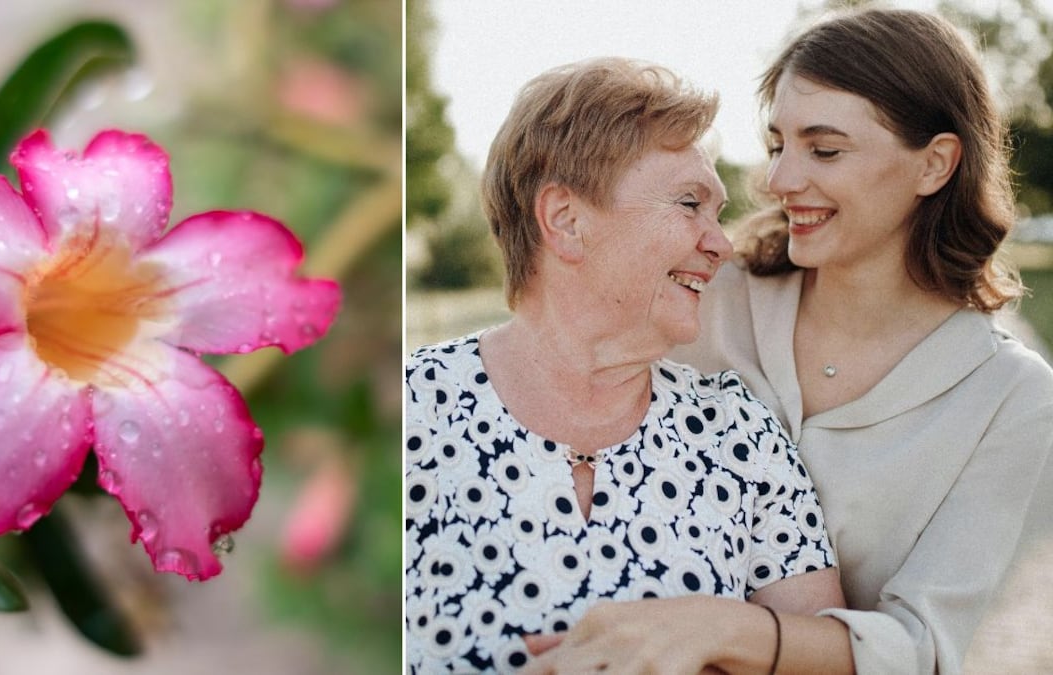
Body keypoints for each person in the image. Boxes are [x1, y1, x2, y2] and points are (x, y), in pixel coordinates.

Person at [524, 8, 1053, 675]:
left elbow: (930, 649)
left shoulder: (1012, 399)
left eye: (824, 150)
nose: (778, 180)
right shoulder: (704, 299)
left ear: (935, 164)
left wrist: (726, 630)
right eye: (779, 145)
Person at [405, 57, 846, 674]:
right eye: (690, 203)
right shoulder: (409, 412)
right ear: (566, 220)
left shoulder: (737, 429)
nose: (720, 243)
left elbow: (827, 655)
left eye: (716, 213)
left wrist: (719, 633)